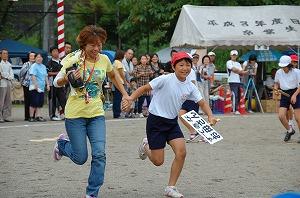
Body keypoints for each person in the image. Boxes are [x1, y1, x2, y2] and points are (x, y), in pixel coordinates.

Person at [123, 52, 218, 198]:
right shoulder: (165, 79)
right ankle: (145, 146)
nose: (185, 68)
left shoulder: (190, 86)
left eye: (188, 65)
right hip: (156, 122)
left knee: (181, 152)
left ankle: (171, 187)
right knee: (158, 161)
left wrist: (210, 116)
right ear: (173, 67)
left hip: (172, 123)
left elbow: (202, 102)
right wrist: (130, 99)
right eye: (181, 65)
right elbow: (144, 88)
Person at [52, 25, 129, 198]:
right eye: (92, 45)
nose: (96, 48)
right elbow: (56, 82)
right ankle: (62, 145)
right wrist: (68, 78)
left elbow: (113, 75)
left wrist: (125, 95)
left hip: (96, 113)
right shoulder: (72, 59)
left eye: (99, 44)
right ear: (84, 45)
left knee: (100, 154)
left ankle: (92, 193)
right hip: (75, 115)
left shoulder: (104, 59)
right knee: (80, 158)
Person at [274, 55, 300, 143]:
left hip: (296, 92)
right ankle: (290, 130)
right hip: (284, 94)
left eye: (284, 66)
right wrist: (276, 89)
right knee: (281, 116)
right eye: (281, 66)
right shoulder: (278, 72)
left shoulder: (297, 72)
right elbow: (276, 83)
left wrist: (295, 95)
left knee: (298, 118)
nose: (283, 68)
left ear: (289, 65)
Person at [28, 53, 50, 122]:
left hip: (42, 87)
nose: (39, 58)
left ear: (42, 58)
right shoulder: (34, 66)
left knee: (40, 102)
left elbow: (46, 76)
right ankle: (31, 117)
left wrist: (48, 84)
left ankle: (38, 116)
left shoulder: (43, 66)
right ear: (35, 58)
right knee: (34, 102)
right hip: (34, 87)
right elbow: (33, 76)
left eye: (40, 57)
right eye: (37, 57)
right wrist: (36, 86)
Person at [47, 46, 66, 121]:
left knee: (63, 99)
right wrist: (57, 73)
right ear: (51, 53)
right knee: (53, 99)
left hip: (61, 84)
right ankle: (52, 115)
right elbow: (48, 73)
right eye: (53, 51)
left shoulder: (62, 62)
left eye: (57, 51)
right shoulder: (49, 63)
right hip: (52, 84)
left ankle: (65, 114)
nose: (56, 53)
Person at [226, 50, 248, 115]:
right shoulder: (229, 62)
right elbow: (233, 69)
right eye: (233, 55)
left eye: (235, 55)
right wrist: (241, 71)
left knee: (238, 95)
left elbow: (241, 73)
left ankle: (236, 109)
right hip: (232, 81)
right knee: (234, 95)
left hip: (238, 81)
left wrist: (244, 68)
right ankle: (234, 109)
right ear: (230, 55)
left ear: (237, 56)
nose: (234, 56)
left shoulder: (238, 64)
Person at [19, 51, 36, 121]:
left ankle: (33, 116)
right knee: (27, 100)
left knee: (34, 100)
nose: (32, 57)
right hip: (27, 85)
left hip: (35, 85)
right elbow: (21, 73)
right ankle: (27, 116)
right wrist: (22, 81)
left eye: (34, 56)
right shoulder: (26, 64)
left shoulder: (37, 65)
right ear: (28, 57)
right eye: (31, 56)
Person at [0, 49, 14, 122]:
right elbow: (1, 74)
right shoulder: (0, 64)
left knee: (8, 101)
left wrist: (8, 76)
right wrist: (7, 76)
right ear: (1, 55)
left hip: (9, 83)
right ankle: (0, 117)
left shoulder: (9, 64)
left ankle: (7, 116)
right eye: (4, 53)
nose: (5, 55)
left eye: (7, 53)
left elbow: (12, 74)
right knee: (1, 101)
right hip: (2, 83)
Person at [112, 49, 126, 118]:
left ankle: (115, 113)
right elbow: (121, 73)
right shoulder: (119, 63)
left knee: (116, 98)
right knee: (118, 98)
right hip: (120, 82)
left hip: (115, 82)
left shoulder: (114, 62)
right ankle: (117, 113)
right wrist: (125, 81)